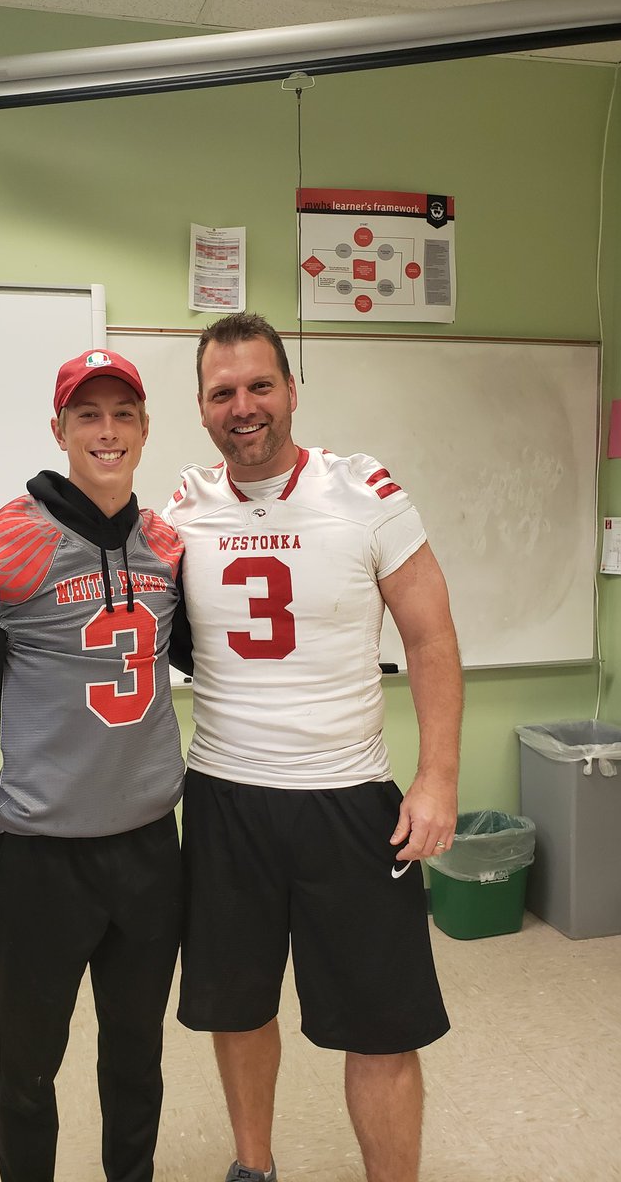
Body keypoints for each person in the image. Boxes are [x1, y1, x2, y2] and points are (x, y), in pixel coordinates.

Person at [163, 313, 463, 1182]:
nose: (243, 407)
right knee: (237, 1006)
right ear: (201, 407)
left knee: (383, 1024)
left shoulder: (364, 491)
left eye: (260, 385)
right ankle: (252, 1165)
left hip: (348, 799)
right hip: (225, 798)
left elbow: (432, 639)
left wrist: (437, 777)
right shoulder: (180, 510)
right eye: (222, 392)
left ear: (292, 390)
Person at [0, 348, 186, 1182]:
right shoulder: (10, 549)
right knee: (28, 1069)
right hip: (44, 858)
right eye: (87, 415)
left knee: (136, 1056)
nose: (107, 431)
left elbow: (212, 656)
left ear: (144, 428)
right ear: (59, 430)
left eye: (123, 414)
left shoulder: (167, 548)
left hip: (149, 849)